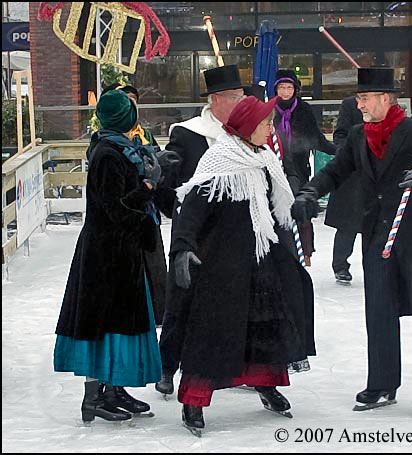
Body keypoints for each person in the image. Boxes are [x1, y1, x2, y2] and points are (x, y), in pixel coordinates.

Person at [291, 67, 412, 415]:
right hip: (377, 235)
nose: (359, 103)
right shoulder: (358, 135)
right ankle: (383, 383)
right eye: (359, 98)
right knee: (379, 312)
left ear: (385, 98)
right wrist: (310, 193)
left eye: (364, 98)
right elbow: (335, 171)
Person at [170, 95, 316, 436]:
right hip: (223, 264)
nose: (270, 128)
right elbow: (190, 210)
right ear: (248, 127)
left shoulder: (264, 158)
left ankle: (265, 381)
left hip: (263, 258)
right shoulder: (220, 161)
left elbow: (274, 207)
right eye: (265, 123)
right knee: (213, 332)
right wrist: (182, 249)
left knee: (266, 326)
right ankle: (194, 400)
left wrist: (299, 209)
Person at [53, 90, 166, 423]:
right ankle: (94, 399)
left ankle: (114, 389)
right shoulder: (107, 153)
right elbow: (114, 209)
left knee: (120, 322)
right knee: (102, 324)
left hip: (123, 251)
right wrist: (145, 189)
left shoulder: (122, 148)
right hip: (105, 255)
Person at [154, 65, 246, 397]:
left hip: (230, 231)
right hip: (193, 232)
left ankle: (240, 367)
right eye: (236, 97)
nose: (242, 101)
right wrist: (164, 169)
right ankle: (166, 367)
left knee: (234, 301)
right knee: (181, 300)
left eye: (243, 96)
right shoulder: (189, 132)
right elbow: (175, 178)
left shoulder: (244, 132)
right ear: (217, 99)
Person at [100, 83, 171, 327]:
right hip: (127, 226)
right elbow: (113, 203)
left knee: (155, 269)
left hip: (146, 218)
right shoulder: (107, 146)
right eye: (125, 101)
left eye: (134, 100)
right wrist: (146, 186)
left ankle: (159, 313)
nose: (132, 106)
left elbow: (156, 165)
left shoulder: (144, 135)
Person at [273, 69, 336, 266]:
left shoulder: (303, 109)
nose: (285, 92)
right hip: (274, 164)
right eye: (282, 87)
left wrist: (339, 151)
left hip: (298, 167)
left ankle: (305, 251)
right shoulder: (269, 108)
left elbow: (315, 137)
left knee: (300, 206)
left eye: (289, 87)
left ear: (295, 89)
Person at [325, 96, 364, 284]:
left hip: (378, 175)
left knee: (378, 225)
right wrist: (347, 153)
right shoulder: (350, 105)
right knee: (347, 225)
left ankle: (379, 265)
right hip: (352, 173)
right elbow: (340, 134)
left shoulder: (388, 106)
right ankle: (340, 265)